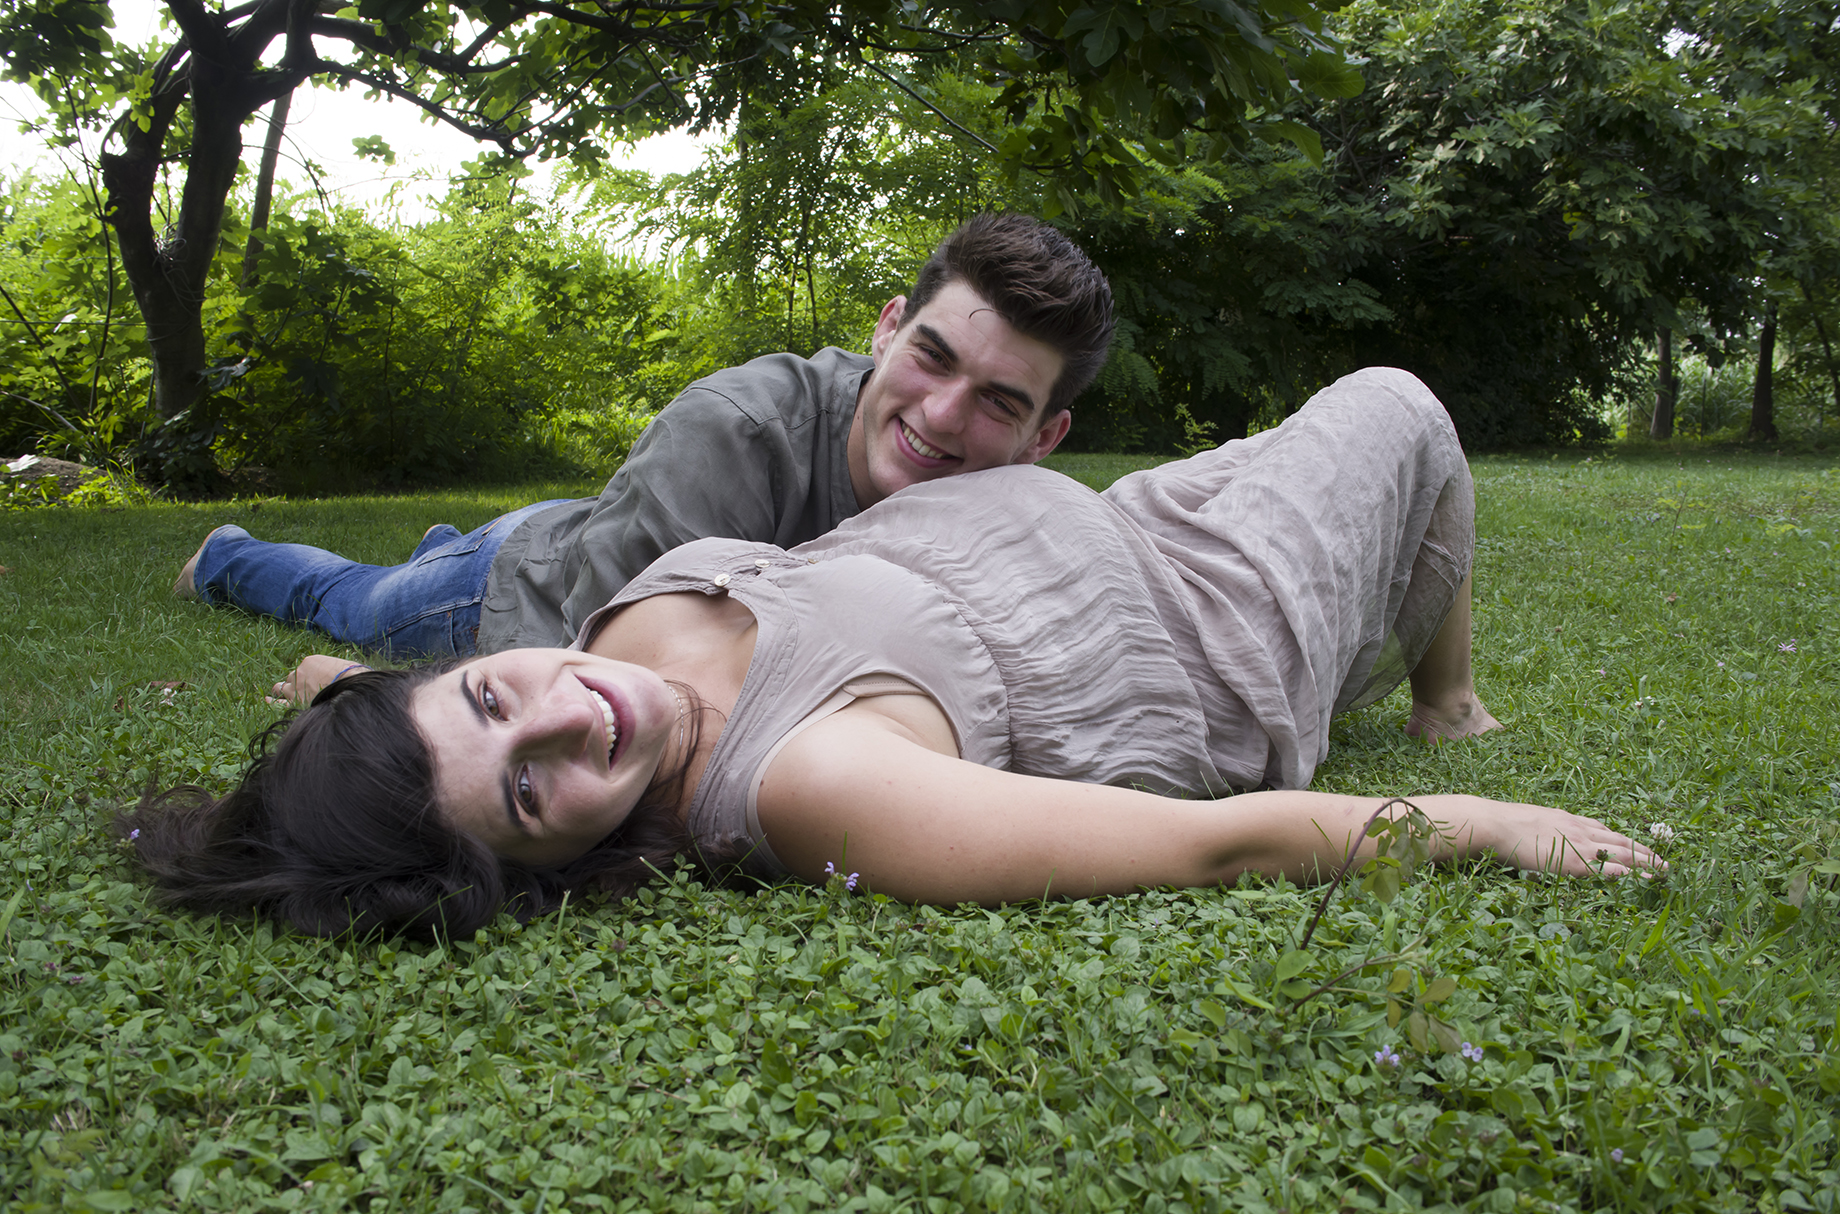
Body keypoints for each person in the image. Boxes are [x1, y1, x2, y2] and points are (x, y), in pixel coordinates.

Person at [127, 369, 1661, 941]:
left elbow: (528, 674)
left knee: (414, 601)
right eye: (531, 795)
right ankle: (1447, 705)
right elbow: (1209, 851)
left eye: (492, 699)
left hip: (1123, 512)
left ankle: (323, 613)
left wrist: (364, 699)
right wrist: (1478, 826)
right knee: (1398, 406)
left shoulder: (586, 656)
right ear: (570, 864)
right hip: (1214, 609)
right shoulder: (817, 787)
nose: (566, 712)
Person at [173, 213, 1114, 657]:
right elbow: (618, 676)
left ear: (1045, 437)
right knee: (353, 603)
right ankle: (230, 555)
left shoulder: (1021, 512)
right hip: (533, 598)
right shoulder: (738, 428)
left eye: (999, 402)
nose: (943, 417)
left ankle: (448, 545)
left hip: (611, 529)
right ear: (886, 327)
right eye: (934, 357)